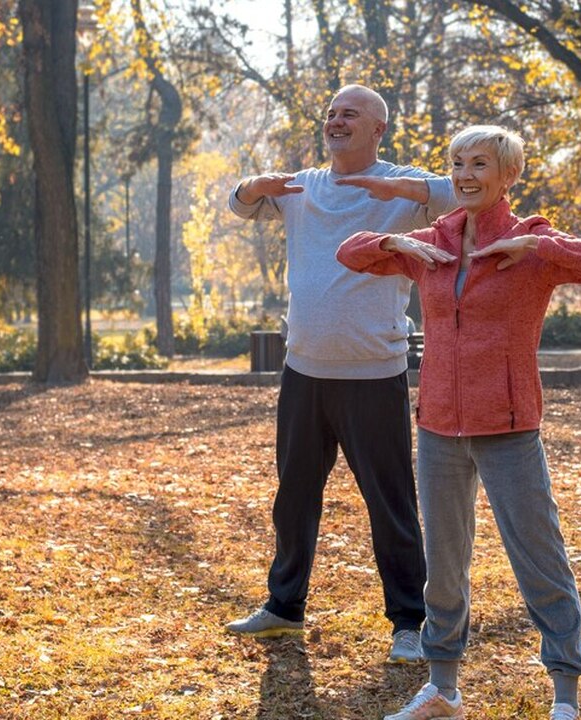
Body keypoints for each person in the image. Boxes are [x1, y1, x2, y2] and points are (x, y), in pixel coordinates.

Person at [336, 125, 581, 720]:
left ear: (507, 176)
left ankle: (566, 692)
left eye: (480, 165)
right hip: (439, 426)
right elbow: (351, 251)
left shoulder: (530, 243)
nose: (466, 175)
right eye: (458, 164)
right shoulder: (433, 242)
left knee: (539, 557)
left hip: (509, 427)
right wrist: (399, 247)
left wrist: (539, 251)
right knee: (443, 565)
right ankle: (443, 689)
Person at [223, 84, 457, 664]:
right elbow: (239, 204)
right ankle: (283, 607)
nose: (335, 120)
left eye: (349, 113)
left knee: (391, 504)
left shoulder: (406, 186)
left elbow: (467, 193)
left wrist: (398, 188)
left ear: (378, 128)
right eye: (330, 113)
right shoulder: (304, 186)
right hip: (303, 370)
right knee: (294, 496)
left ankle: (410, 622)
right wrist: (254, 186)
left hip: (374, 374)